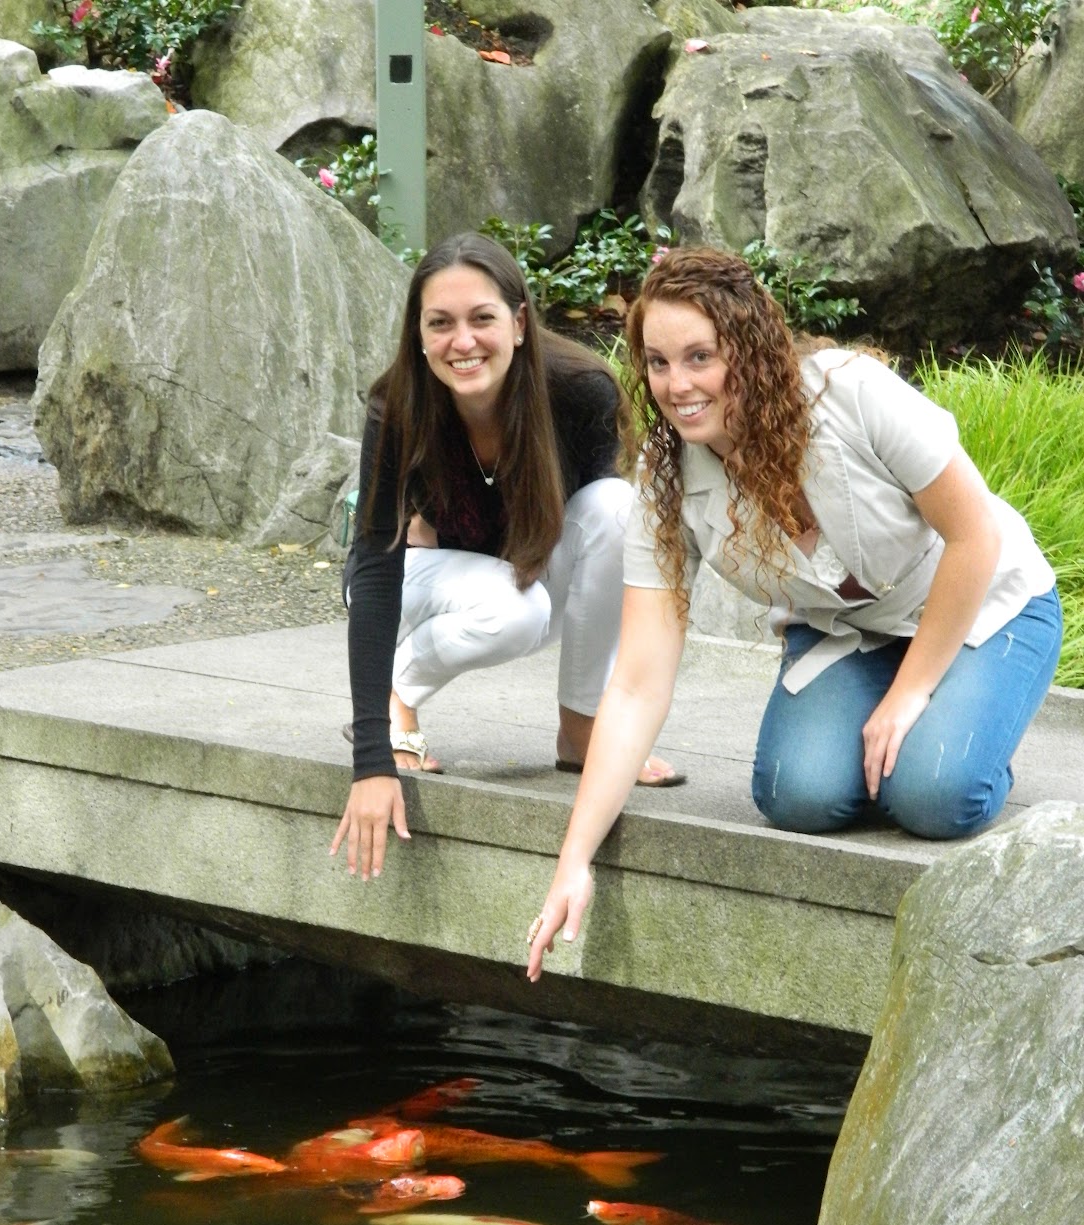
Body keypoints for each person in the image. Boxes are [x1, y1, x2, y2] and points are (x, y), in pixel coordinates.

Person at [526, 245, 1061, 978]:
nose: (678, 385)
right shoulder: (665, 475)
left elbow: (974, 536)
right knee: (795, 795)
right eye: (658, 363)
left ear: (747, 349)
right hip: (851, 637)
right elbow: (639, 682)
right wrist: (573, 860)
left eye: (700, 357)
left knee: (937, 794)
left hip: (984, 603)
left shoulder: (852, 393)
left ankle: (966, 732)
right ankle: (907, 729)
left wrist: (910, 695)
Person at [330, 231, 682, 882]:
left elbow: (593, 543)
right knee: (512, 608)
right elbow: (377, 567)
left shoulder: (579, 392)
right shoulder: (398, 405)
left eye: (482, 318)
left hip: (514, 577)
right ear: (418, 333)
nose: (462, 341)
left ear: (519, 323)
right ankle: (398, 696)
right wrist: (371, 759)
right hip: (413, 585)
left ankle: (583, 730)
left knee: (617, 508)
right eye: (440, 323)